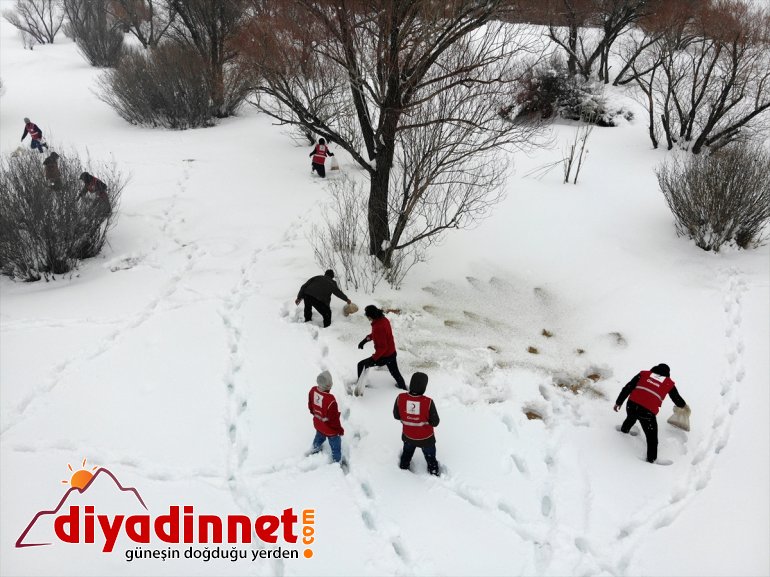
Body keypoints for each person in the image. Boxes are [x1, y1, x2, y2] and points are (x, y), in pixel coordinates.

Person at [614, 363, 689, 464]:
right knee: (652, 438)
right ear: (667, 374)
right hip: (647, 412)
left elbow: (628, 387)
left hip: (631, 405)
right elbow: (676, 398)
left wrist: (618, 402)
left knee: (631, 417)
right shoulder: (668, 383)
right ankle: (651, 460)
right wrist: (683, 406)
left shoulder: (643, 374)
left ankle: (624, 430)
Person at [393, 372, 440, 476]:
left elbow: (396, 416)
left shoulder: (400, 398)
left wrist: (409, 417)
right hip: (426, 439)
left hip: (408, 436)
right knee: (431, 457)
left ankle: (403, 468)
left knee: (407, 454)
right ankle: (433, 471)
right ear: (424, 387)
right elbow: (435, 422)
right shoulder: (428, 402)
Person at [357, 305, 407, 390]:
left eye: (367, 315)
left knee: (361, 365)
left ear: (371, 316)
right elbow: (376, 335)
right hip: (392, 353)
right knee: (395, 373)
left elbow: (383, 347)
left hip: (384, 356)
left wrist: (373, 359)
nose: (367, 317)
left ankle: (360, 386)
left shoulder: (378, 326)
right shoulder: (383, 320)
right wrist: (365, 340)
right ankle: (403, 388)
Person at [308, 371, 344, 464]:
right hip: (330, 429)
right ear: (329, 385)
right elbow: (334, 419)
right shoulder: (331, 400)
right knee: (335, 444)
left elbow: (311, 407)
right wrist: (339, 429)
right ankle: (337, 461)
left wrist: (317, 415)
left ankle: (315, 448)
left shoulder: (312, 391)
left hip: (318, 423)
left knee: (319, 436)